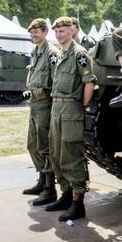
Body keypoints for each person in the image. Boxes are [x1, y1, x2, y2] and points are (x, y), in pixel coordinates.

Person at [44, 16, 96, 221]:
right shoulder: (59, 54)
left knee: (71, 155)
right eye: (57, 31)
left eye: (63, 31)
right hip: (56, 107)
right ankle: (66, 195)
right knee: (56, 153)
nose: (59, 34)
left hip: (71, 108)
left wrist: (81, 105)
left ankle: (77, 203)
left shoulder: (79, 54)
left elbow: (89, 82)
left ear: (72, 31)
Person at [23, 18, 60, 204]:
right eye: (31, 32)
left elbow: (56, 80)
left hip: (45, 103)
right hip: (34, 103)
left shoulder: (52, 53)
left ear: (45, 32)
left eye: (36, 31)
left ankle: (49, 188)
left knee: (45, 147)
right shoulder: (35, 52)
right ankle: (41, 180)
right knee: (32, 145)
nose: (33, 35)